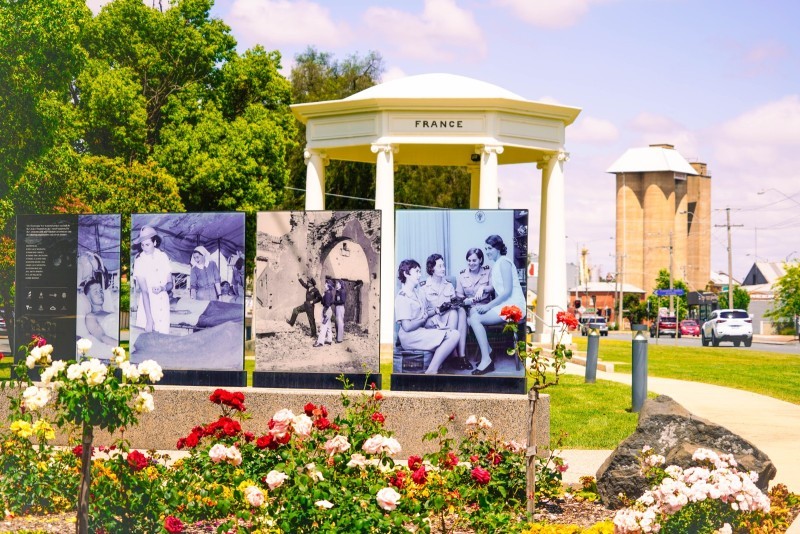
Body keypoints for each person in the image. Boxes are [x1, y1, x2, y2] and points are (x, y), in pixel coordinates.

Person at [469, 235, 526, 375]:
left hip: (514, 307)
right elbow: (496, 287)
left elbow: (507, 291)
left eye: (490, 248)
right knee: (473, 312)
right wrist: (483, 288)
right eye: (486, 248)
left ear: (498, 248)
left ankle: (486, 360)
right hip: (505, 304)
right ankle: (488, 350)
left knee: (475, 318)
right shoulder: (497, 264)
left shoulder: (504, 263)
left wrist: (488, 306)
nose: (487, 252)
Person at [395, 259, 459, 375]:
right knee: (454, 335)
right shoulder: (402, 297)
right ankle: (431, 370)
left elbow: (424, 314)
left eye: (420, 271)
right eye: (417, 271)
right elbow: (407, 326)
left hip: (419, 330)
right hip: (410, 336)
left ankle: (435, 367)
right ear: (406, 274)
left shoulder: (418, 292)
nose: (420, 275)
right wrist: (423, 321)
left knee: (451, 332)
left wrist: (438, 310)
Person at [421, 253, 471, 370]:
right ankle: (453, 354)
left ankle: (461, 356)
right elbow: (423, 313)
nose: (443, 269)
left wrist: (457, 303)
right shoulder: (424, 287)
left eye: (443, 265)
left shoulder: (448, 285)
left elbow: (453, 303)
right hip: (432, 320)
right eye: (440, 266)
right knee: (453, 313)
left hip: (447, 318)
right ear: (432, 268)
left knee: (461, 311)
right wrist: (439, 310)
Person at [455, 247, 494, 365]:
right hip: (469, 307)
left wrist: (483, 288)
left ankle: (486, 354)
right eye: (469, 260)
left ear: (480, 260)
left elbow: (492, 287)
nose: (471, 263)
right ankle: (489, 351)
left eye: (474, 260)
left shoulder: (488, 271)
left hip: (485, 307)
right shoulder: (462, 275)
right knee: (471, 313)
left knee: (473, 316)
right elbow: (458, 294)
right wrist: (465, 299)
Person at [132, 226, 172, 334]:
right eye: (142, 245)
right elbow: (144, 291)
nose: (144, 248)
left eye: (147, 244)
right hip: (148, 306)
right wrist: (149, 320)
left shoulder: (163, 257)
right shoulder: (139, 261)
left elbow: (170, 284)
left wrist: (163, 288)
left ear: (154, 242)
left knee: (163, 336)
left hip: (163, 303)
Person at [82, 279, 118, 349]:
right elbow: (102, 337)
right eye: (96, 292)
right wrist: (124, 345)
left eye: (101, 291)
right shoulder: (91, 316)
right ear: (88, 297)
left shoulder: (110, 312)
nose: (100, 294)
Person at [314, 279, 335, 347]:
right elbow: (326, 302)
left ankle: (320, 342)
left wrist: (324, 312)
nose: (324, 285)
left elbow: (327, 304)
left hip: (326, 310)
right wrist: (323, 296)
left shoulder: (328, 293)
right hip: (328, 310)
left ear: (328, 285)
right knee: (328, 325)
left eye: (326, 284)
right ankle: (329, 340)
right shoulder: (328, 292)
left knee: (323, 326)